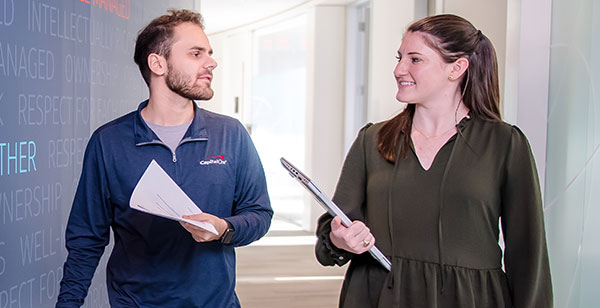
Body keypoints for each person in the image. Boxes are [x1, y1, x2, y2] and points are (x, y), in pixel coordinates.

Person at [315, 14, 553, 308]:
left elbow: (529, 255)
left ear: (457, 68)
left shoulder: (505, 144)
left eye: (415, 59)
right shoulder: (372, 140)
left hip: (470, 299)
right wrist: (341, 240)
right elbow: (334, 232)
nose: (399, 69)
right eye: (399, 57)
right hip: (379, 295)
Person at [56, 9, 273, 307]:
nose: (211, 62)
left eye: (209, 53)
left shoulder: (230, 133)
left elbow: (260, 214)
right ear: (158, 63)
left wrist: (224, 228)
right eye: (196, 53)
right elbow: (86, 240)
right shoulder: (108, 142)